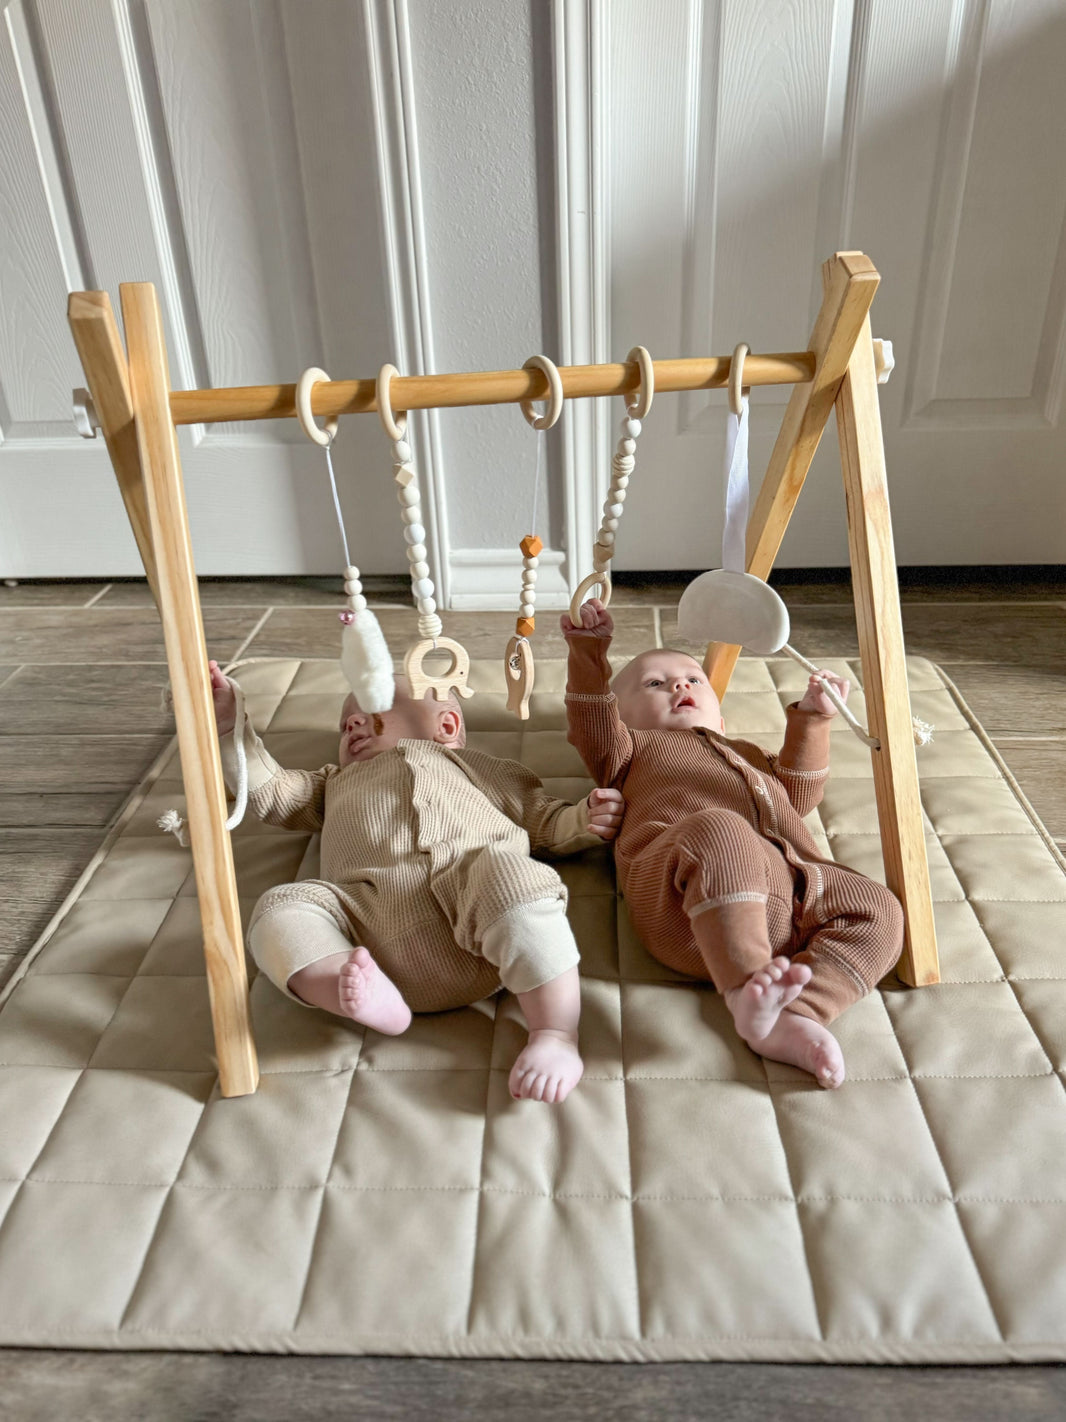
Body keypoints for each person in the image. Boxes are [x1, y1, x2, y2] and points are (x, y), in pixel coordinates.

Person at [208, 660, 623, 1104]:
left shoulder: (480, 768)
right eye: (345, 723)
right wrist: (232, 726)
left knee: (512, 876)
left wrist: (584, 818)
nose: (351, 724)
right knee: (281, 907)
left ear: (446, 725)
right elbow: (269, 791)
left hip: (477, 920)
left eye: (371, 707)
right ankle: (344, 986)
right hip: (365, 934)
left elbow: (542, 820)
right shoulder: (332, 784)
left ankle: (555, 1033)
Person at [560, 601, 903, 1089]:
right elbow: (591, 718)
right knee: (718, 827)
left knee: (878, 906)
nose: (680, 686)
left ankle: (794, 1013)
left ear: (720, 716)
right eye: (654, 684)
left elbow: (800, 793)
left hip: (791, 896)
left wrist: (812, 719)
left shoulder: (747, 755)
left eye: (693, 679)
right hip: (684, 901)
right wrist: (588, 650)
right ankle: (743, 988)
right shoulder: (630, 750)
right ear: (624, 718)